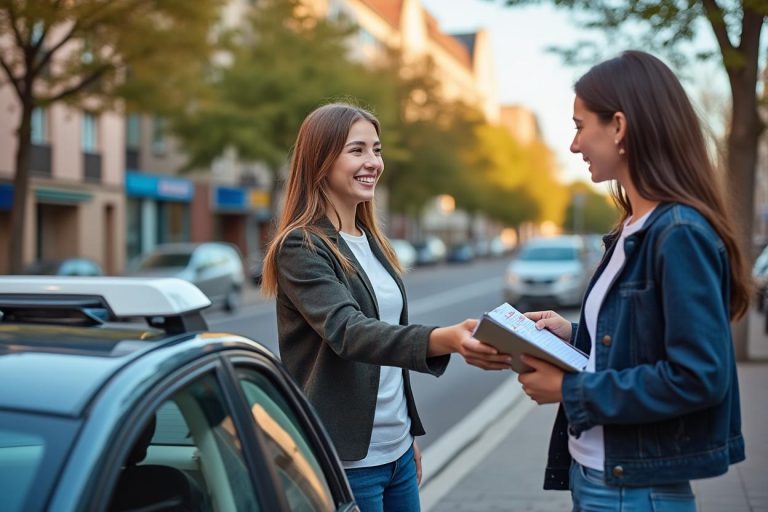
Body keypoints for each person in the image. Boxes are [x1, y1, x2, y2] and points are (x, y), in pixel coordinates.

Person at [517, 50, 749, 511]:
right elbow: (639, 341)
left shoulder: (678, 233)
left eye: (580, 126)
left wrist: (568, 390)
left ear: (619, 127)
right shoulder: (630, 229)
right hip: (598, 476)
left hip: (633, 491)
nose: (574, 144)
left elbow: (699, 376)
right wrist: (573, 335)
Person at [261, 102, 511, 511]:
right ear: (320, 160)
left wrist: (406, 435)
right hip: (347, 462)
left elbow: (385, 352)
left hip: (396, 454)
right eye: (356, 150)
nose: (373, 162)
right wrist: (442, 339)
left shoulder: (370, 240)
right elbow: (350, 331)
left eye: (376, 150)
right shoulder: (301, 246)